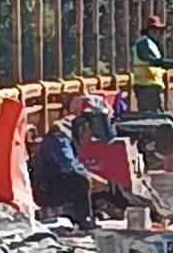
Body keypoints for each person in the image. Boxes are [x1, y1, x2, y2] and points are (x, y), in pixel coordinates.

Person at [31, 96, 120, 230]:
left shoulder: (78, 133)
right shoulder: (61, 133)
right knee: (82, 180)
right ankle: (84, 220)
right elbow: (68, 165)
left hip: (61, 182)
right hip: (48, 186)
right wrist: (92, 178)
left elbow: (108, 138)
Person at [132, 15, 173, 112]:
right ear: (147, 30)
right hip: (145, 86)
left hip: (152, 85)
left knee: (156, 113)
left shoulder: (150, 43)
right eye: (154, 30)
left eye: (158, 30)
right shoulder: (143, 43)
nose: (157, 33)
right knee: (151, 115)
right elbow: (152, 61)